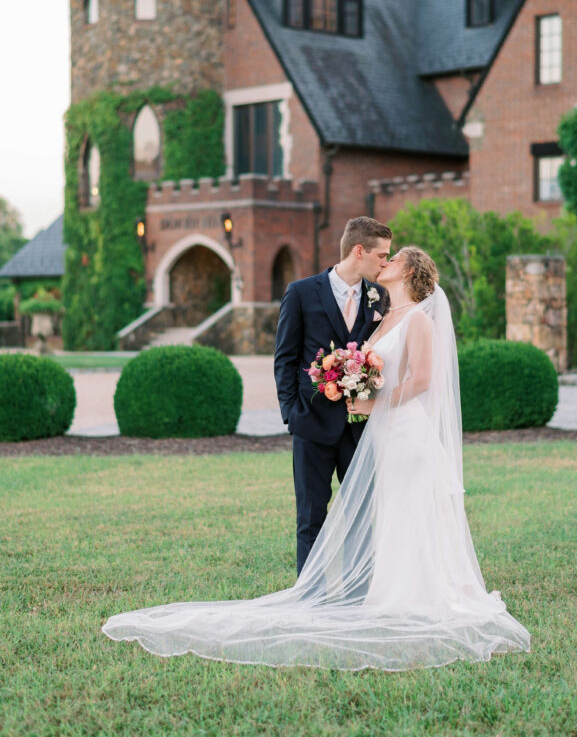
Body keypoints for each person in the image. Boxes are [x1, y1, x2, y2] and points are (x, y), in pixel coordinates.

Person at [102, 246, 530, 669]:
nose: (387, 261)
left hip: (406, 431)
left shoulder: (417, 319)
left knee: (410, 508)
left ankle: (423, 595)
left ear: (410, 272)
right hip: (379, 433)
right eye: (386, 254)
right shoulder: (383, 316)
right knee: (388, 510)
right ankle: (386, 592)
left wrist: (371, 405)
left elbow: (421, 381)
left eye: (394, 258)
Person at [274, 216, 391, 574]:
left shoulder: (379, 297)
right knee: (310, 517)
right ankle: (312, 599)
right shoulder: (302, 292)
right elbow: (285, 357)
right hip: (311, 425)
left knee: (359, 517)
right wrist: (292, 414)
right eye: (382, 255)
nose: (386, 262)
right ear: (360, 250)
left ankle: (356, 596)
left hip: (359, 427)